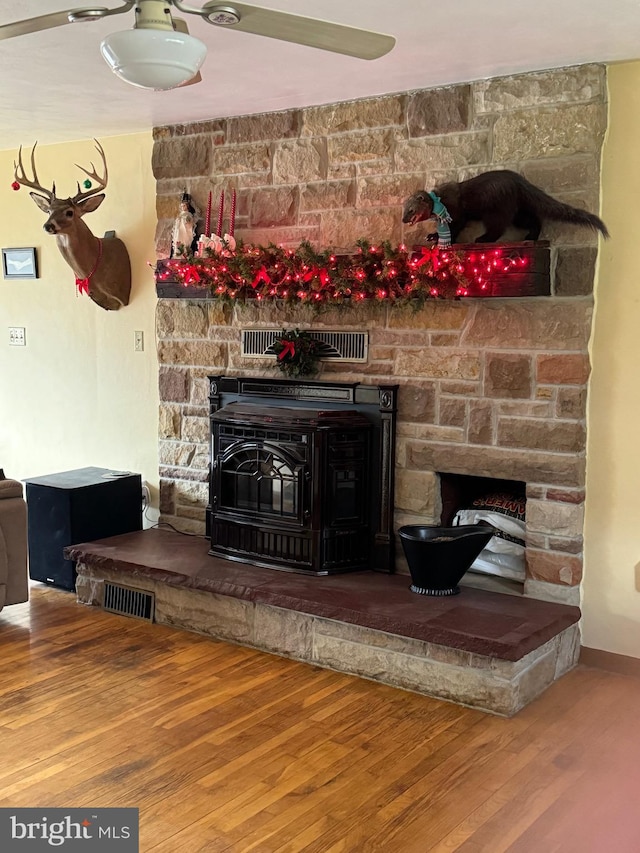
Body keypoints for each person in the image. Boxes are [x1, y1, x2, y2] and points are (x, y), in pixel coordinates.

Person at [171, 191, 199, 257]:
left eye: (184, 206)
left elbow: (190, 224)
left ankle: (185, 252)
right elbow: (177, 223)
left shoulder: (188, 215)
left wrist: (186, 221)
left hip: (185, 231)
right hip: (179, 231)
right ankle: (178, 252)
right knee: (178, 240)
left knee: (185, 242)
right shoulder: (180, 215)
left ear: (187, 206)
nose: (183, 207)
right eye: (182, 206)